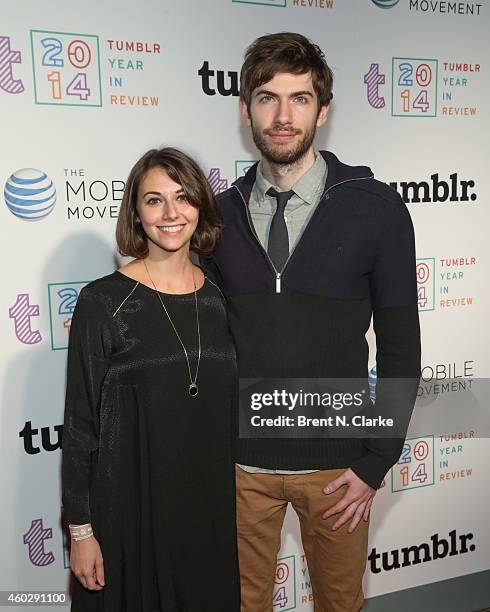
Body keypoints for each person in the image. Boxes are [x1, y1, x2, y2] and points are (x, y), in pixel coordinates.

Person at [203, 33, 421, 612]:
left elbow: (401, 347)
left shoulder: (376, 208)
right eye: (267, 97)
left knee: (339, 605)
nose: (281, 116)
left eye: (299, 99)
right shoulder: (216, 217)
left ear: (323, 112)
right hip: (241, 468)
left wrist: (376, 461)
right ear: (244, 108)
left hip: (337, 467)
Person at [61, 147, 240, 611]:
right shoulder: (104, 302)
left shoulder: (219, 298)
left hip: (207, 515)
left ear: (199, 205)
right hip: (130, 514)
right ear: (136, 214)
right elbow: (81, 425)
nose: (171, 213)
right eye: (154, 200)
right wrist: (81, 531)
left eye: (182, 197)